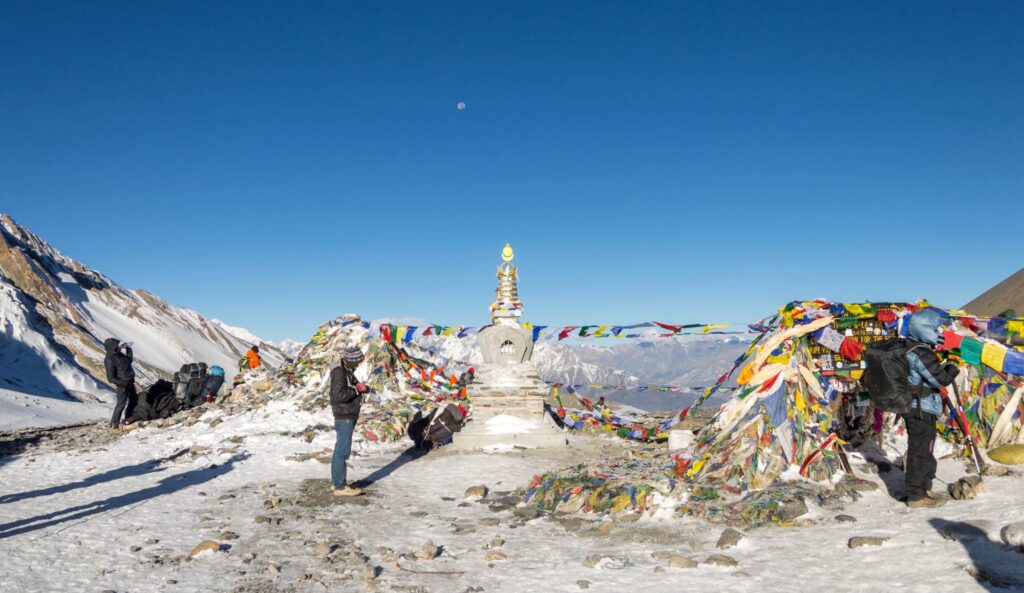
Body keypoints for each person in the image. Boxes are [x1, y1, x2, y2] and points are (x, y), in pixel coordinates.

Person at [903, 308, 960, 509]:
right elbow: (940, 378)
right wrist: (953, 365)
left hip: (918, 406)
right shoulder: (920, 352)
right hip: (921, 408)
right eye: (934, 327)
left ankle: (923, 489)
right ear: (923, 328)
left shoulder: (911, 347)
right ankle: (916, 496)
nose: (939, 332)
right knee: (920, 450)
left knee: (924, 448)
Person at [329, 346, 368, 496]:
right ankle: (340, 486)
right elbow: (338, 395)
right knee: (343, 451)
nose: (358, 365)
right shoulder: (340, 372)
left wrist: (361, 388)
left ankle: (336, 482)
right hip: (344, 415)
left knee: (340, 449)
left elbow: (347, 388)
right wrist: (357, 391)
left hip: (346, 414)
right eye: (357, 362)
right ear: (351, 360)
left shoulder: (346, 370)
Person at [104, 338, 137, 431]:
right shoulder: (109, 359)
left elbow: (129, 361)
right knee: (121, 404)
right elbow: (110, 378)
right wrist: (123, 383)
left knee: (134, 401)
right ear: (112, 347)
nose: (119, 347)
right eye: (117, 346)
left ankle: (128, 419)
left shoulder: (120, 355)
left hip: (130, 382)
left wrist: (129, 349)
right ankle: (113, 425)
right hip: (123, 385)